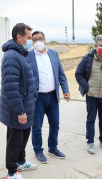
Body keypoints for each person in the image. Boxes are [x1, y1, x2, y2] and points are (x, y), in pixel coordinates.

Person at [0, 23, 37, 179]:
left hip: (26, 106)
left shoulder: (22, 54)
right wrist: (20, 111)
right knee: (14, 141)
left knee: (24, 136)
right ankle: (11, 173)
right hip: (17, 109)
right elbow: (11, 88)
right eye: (28, 38)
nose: (31, 41)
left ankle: (21, 161)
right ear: (19, 37)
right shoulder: (12, 56)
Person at [28, 31, 70, 164]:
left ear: (45, 40)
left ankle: (53, 148)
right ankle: (38, 150)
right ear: (32, 42)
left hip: (52, 96)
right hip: (37, 98)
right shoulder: (28, 56)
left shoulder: (53, 53)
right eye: (34, 40)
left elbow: (61, 74)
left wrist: (65, 90)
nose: (37, 41)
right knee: (37, 127)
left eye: (40, 39)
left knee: (55, 124)